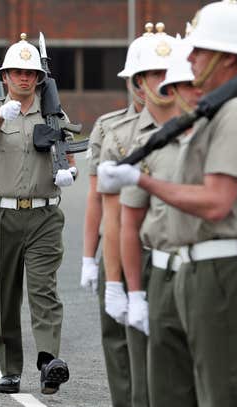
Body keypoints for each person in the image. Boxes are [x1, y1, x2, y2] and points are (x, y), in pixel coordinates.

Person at [99, 1, 237, 405]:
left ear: (225, 57)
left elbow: (215, 202)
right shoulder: (221, 112)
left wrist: (142, 180)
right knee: (175, 393)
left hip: (228, 268)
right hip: (200, 265)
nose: (189, 58)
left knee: (224, 395)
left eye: (199, 51)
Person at [0, 33, 77, 395]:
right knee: (5, 294)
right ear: (3, 77)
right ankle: (11, 368)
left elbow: (69, 158)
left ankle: (49, 360)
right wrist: (2, 114)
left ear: (38, 78)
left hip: (44, 216)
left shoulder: (53, 114)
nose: (23, 78)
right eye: (16, 72)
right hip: (0, 217)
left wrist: (69, 171)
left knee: (43, 290)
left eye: (29, 73)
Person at [119, 34, 202, 407]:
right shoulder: (145, 142)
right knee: (160, 384)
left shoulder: (215, 134)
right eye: (165, 80)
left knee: (211, 381)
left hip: (209, 269)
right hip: (160, 268)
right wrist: (130, 291)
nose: (175, 90)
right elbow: (127, 223)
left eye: (185, 82)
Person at [99, 22, 177, 407]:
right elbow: (114, 217)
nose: (161, 85)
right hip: (140, 254)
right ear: (137, 82)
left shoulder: (203, 129)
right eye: (151, 76)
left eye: (169, 74)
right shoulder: (123, 134)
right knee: (138, 365)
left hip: (185, 261)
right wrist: (117, 282)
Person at [81, 27, 148, 407]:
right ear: (131, 81)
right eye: (140, 78)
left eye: (156, 76)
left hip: (155, 243)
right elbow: (96, 197)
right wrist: (90, 258)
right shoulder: (109, 126)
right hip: (116, 245)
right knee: (116, 336)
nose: (146, 86)